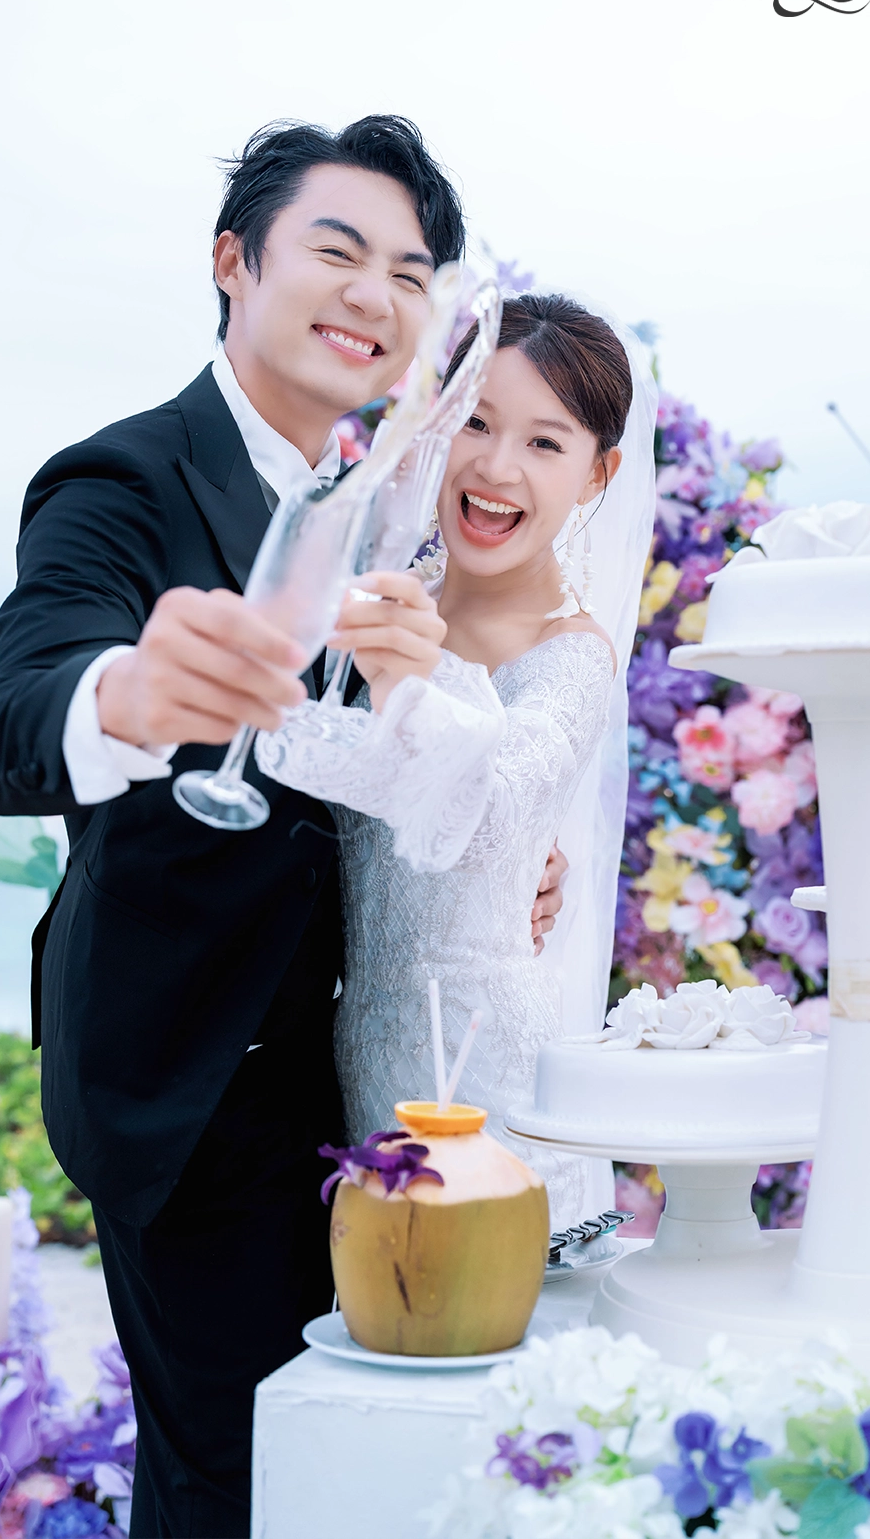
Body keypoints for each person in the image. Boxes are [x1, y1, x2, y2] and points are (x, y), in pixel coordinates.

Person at [0, 118, 566, 1539]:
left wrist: (488, 847)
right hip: (190, 1078)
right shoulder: (121, 478)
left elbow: (376, 768)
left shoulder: (382, 502)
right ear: (234, 262)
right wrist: (126, 694)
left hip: (353, 1080)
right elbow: (8, 723)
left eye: (410, 274)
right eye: (338, 251)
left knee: (349, 1468)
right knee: (231, 1480)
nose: (376, 295)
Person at [255, 294, 658, 1225]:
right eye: (476, 421)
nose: (496, 466)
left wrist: (414, 675)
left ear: (598, 474)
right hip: (353, 1060)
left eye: (545, 443)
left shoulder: (572, 655)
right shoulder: (378, 598)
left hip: (489, 1077)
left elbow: (489, 812)